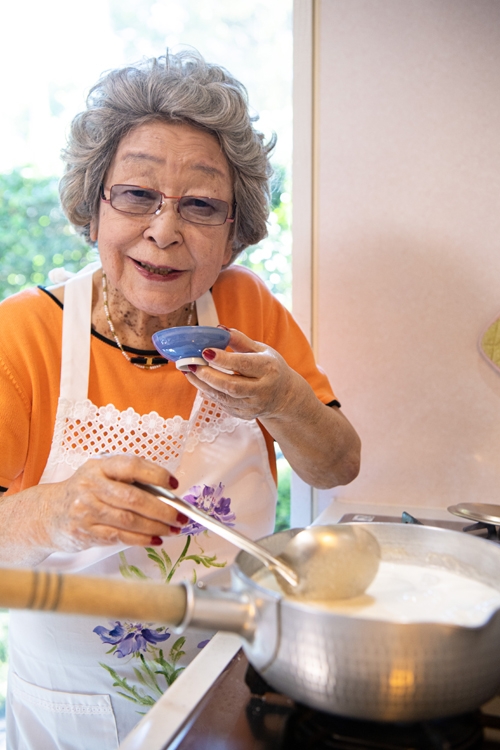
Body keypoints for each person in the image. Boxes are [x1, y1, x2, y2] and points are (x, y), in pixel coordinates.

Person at [0, 50, 361, 748]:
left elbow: (336, 465)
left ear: (234, 230)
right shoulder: (22, 336)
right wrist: (57, 511)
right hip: (73, 721)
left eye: (200, 205)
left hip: (233, 699)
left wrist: (285, 398)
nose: (164, 230)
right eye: (137, 195)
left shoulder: (247, 309)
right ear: (93, 203)